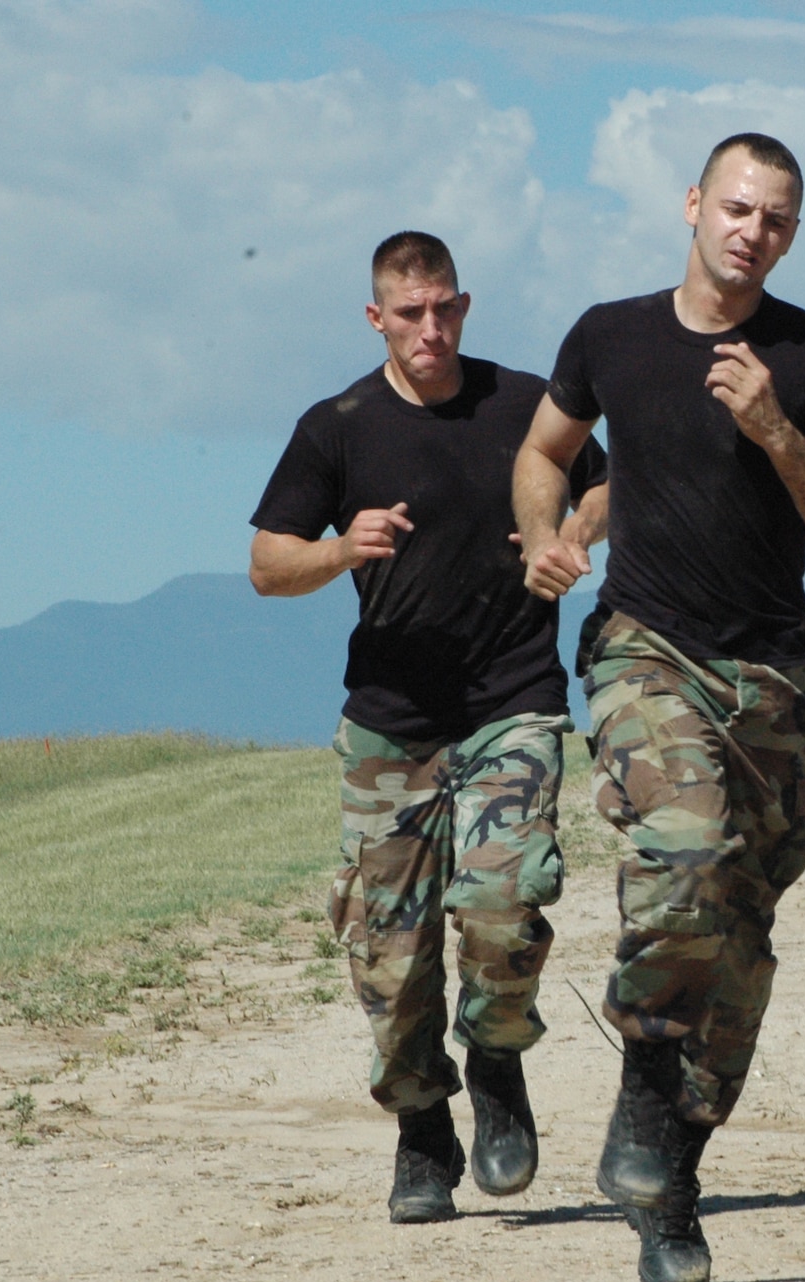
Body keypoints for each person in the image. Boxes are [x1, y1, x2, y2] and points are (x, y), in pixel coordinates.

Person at [512, 133, 805, 1282]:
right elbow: (542, 448)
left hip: (771, 677)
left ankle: (671, 1172)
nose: (750, 231)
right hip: (645, 648)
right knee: (680, 860)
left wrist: (775, 427)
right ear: (691, 206)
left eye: (774, 218)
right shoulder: (608, 334)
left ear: (791, 234)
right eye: (735, 208)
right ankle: (639, 1090)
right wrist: (542, 533)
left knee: (738, 943)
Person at [248, 231, 607, 1224]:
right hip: (391, 726)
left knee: (502, 905)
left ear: (464, 304)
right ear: (377, 318)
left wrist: (566, 535)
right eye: (409, 312)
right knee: (390, 961)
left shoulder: (524, 405)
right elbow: (267, 561)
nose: (430, 328)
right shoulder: (339, 426)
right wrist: (337, 550)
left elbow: (607, 482)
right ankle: (420, 1128)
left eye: (444, 307)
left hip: (512, 699)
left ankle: (495, 1061)